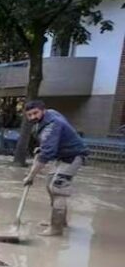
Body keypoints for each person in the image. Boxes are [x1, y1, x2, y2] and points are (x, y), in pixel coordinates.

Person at [22, 100, 88, 236]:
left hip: (73, 156)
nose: (33, 117)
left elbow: (46, 155)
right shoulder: (50, 114)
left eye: (36, 113)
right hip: (62, 156)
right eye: (30, 115)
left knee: (58, 187)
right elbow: (53, 141)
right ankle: (60, 221)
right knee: (49, 184)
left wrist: (31, 176)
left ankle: (56, 229)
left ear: (43, 110)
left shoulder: (50, 126)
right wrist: (43, 147)